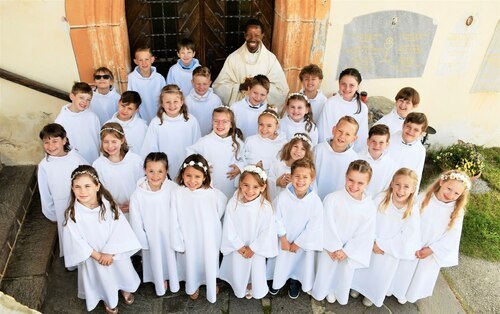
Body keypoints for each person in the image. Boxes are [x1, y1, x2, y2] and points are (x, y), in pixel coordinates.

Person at [62, 165, 141, 314]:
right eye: (77, 187)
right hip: (93, 257)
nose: (83, 191)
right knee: (102, 278)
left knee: (121, 271)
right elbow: (76, 240)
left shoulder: (109, 206)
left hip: (113, 253)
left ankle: (124, 287)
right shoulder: (72, 214)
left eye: (87, 186)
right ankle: (107, 297)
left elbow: (119, 229)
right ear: (72, 189)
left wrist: (110, 253)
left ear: (97, 186)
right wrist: (98, 256)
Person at [392, 170, 471, 304]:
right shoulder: (424, 198)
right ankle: (395, 288)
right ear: (441, 182)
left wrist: (432, 249)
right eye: (449, 188)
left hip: (431, 250)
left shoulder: (457, 211)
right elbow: (409, 219)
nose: (450, 194)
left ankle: (407, 294)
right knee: (404, 266)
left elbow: (452, 236)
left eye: (456, 193)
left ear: (461, 194)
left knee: (420, 273)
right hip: (413, 242)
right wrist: (411, 241)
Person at [350, 168, 420, 307]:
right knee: (365, 265)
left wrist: (383, 245)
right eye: (398, 184)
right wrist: (373, 242)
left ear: (413, 189)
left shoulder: (412, 210)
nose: (401, 190)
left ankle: (372, 293)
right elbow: (368, 220)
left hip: (389, 250)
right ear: (392, 184)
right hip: (372, 241)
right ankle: (357, 286)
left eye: (406, 186)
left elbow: (407, 236)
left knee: (380, 272)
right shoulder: (381, 199)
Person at [311, 160, 376, 305]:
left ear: (368, 182)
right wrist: (333, 247)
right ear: (345, 176)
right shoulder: (333, 198)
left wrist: (347, 251)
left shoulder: (369, 207)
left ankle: (336, 290)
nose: (354, 186)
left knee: (344, 272)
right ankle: (324, 289)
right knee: (326, 269)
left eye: (360, 183)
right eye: (351, 180)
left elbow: (365, 234)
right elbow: (326, 223)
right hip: (330, 248)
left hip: (348, 251)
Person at [170, 154, 227, 303]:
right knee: (191, 260)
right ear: (182, 174)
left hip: (207, 236)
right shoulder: (178, 193)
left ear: (204, 177)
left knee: (208, 259)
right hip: (188, 235)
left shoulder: (211, 193)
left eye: (197, 176)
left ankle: (210, 282)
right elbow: (173, 217)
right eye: (188, 175)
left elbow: (221, 206)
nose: (192, 180)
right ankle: (192, 285)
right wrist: (178, 239)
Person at [219, 164, 278, 299]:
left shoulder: (266, 207)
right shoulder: (233, 203)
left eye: (255, 187)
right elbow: (229, 227)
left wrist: (253, 248)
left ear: (263, 188)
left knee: (254, 267)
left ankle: (252, 284)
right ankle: (239, 285)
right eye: (246, 185)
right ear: (240, 184)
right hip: (238, 247)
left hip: (255, 249)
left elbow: (267, 232)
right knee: (238, 266)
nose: (250, 190)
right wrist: (239, 246)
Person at [269, 159, 323, 298]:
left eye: (305, 177)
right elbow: (276, 217)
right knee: (281, 260)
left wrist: (299, 243)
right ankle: (277, 280)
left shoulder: (315, 202)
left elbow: (314, 226)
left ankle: (295, 281)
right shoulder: (282, 197)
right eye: (297, 176)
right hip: (284, 239)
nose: (300, 180)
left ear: (312, 179)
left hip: (302, 242)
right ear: (291, 176)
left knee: (299, 262)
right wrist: (283, 238)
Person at [129, 152, 180, 296]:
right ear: (145, 170)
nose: (155, 176)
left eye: (160, 171)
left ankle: (174, 278)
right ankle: (160, 280)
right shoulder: (138, 195)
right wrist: (143, 241)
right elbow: (136, 220)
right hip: (151, 235)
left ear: (167, 171)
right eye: (151, 171)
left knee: (171, 258)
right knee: (156, 259)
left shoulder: (173, 189)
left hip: (170, 233)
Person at [37, 123, 88, 258]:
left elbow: (89, 177)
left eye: (55, 141)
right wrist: (52, 213)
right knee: (68, 234)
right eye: (46, 142)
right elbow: (45, 193)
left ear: (64, 140)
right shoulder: (44, 166)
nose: (51, 146)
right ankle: (72, 261)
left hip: (82, 203)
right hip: (61, 207)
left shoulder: (76, 158)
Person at [212, 18, 289, 107]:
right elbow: (219, 87)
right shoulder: (233, 58)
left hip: (261, 109)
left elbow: (281, 89)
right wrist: (240, 86)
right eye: (249, 35)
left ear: (262, 35)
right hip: (240, 107)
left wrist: (258, 86)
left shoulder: (271, 59)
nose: (253, 39)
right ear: (245, 35)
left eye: (257, 35)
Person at [140, 85, 201, 177]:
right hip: (162, 171)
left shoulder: (191, 121)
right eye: (167, 102)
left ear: (181, 102)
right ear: (162, 104)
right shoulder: (156, 123)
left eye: (175, 101)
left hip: (187, 169)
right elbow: (150, 148)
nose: (172, 105)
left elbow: (197, 147)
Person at [186, 106, 245, 199]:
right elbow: (190, 151)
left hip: (229, 184)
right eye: (216, 121)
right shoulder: (205, 141)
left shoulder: (238, 143)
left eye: (224, 121)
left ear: (231, 124)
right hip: (210, 183)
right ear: (212, 122)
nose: (220, 124)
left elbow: (245, 159)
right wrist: (202, 164)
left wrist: (239, 167)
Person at [92, 123, 144, 219]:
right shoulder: (98, 165)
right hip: (111, 212)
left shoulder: (136, 161)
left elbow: (142, 185)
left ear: (122, 140)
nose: (110, 146)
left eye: (114, 141)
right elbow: (98, 191)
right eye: (106, 142)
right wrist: (112, 205)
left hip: (135, 210)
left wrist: (133, 203)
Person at [317, 68, 368, 152]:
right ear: (339, 84)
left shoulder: (362, 108)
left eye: (352, 85)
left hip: (349, 153)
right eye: (343, 84)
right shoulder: (331, 103)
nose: (347, 88)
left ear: (358, 86)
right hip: (329, 149)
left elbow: (361, 138)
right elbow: (322, 131)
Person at [314, 116, 359, 200]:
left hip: (337, 203)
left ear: (354, 138)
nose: (342, 136)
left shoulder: (354, 159)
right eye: (340, 131)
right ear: (334, 130)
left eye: (347, 134)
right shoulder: (318, 150)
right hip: (314, 198)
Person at [55, 82, 100, 163]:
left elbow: (99, 139)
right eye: (81, 97)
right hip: (75, 161)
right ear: (72, 96)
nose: (84, 102)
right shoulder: (61, 120)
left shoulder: (93, 117)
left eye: (88, 100)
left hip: (94, 159)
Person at [388, 112, 428, 191]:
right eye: (408, 127)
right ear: (403, 125)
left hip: (401, 189)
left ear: (421, 133)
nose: (410, 131)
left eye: (416, 130)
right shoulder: (389, 140)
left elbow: (417, 175)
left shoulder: (420, 151)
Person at [267, 133, 314, 201]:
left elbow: (311, 190)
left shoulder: (307, 171)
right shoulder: (277, 165)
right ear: (290, 147)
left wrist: (294, 183)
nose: (298, 151)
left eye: (302, 149)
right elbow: (268, 182)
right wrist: (277, 182)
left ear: (306, 153)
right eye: (295, 146)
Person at [127, 46, 166, 123]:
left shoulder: (159, 78)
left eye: (146, 59)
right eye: (140, 60)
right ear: (135, 61)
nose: (144, 63)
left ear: (152, 59)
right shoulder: (131, 78)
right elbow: (131, 100)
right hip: (139, 118)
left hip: (158, 116)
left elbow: (164, 97)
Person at [359, 124, 397, 197]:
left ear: (387, 144)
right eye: (374, 141)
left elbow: (387, 191)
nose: (377, 146)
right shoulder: (357, 159)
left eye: (381, 142)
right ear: (368, 141)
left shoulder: (392, 166)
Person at [185, 66, 222, 136]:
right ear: (192, 82)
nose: (201, 87)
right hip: (192, 137)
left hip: (211, 138)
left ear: (210, 83)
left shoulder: (216, 100)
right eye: (198, 84)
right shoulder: (187, 101)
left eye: (205, 84)